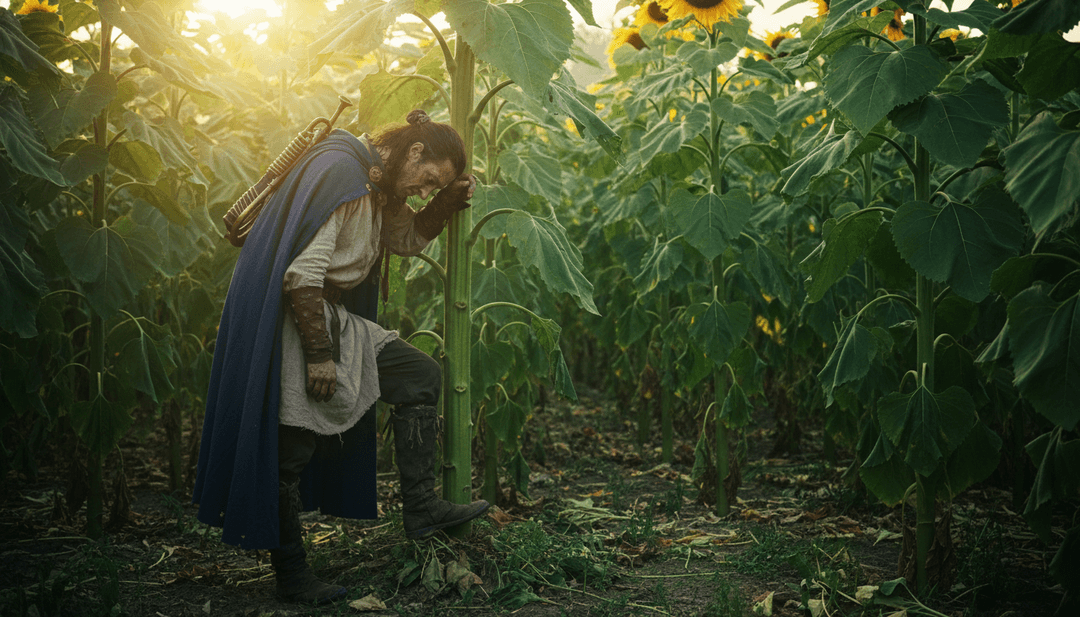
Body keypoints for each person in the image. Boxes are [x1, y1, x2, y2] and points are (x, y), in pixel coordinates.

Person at [192, 109, 490, 605]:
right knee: (291, 452)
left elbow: (403, 239)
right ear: (414, 151)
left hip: (330, 316)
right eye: (429, 179)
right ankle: (291, 573)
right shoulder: (343, 172)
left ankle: (420, 509)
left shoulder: (380, 181)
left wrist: (445, 203)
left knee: (418, 375)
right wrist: (319, 357)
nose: (423, 190)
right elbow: (302, 274)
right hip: (297, 317)